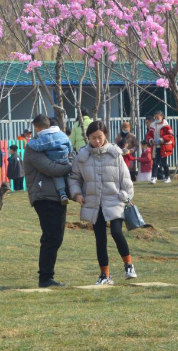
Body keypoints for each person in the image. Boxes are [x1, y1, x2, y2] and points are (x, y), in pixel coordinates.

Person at [69, 121, 137, 285]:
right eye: (93, 138)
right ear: (88, 138)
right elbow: (74, 178)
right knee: (100, 238)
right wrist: (77, 194)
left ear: (105, 135)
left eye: (99, 137)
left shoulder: (115, 153)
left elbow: (126, 179)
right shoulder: (82, 156)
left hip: (114, 199)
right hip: (93, 201)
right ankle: (105, 275)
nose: (97, 141)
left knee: (116, 231)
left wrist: (125, 195)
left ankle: (128, 265)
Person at [24, 115, 73, 288]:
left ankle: (47, 276)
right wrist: (71, 166)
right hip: (43, 196)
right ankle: (45, 278)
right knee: (51, 236)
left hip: (55, 196)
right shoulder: (33, 149)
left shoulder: (50, 145)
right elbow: (50, 168)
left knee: (56, 236)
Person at [26, 114, 73, 205]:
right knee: (66, 176)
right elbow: (69, 145)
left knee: (57, 176)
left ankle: (62, 193)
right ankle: (70, 192)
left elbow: (38, 146)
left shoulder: (45, 138)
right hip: (65, 159)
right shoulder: (62, 134)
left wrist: (30, 142)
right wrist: (70, 159)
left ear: (37, 128)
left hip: (55, 160)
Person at [145, 110, 174, 184]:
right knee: (155, 163)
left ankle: (167, 177)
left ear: (162, 117)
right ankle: (153, 177)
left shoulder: (166, 125)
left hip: (163, 146)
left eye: (158, 117)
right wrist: (151, 140)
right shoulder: (152, 125)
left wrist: (162, 139)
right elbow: (149, 135)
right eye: (155, 117)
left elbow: (170, 135)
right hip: (155, 146)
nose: (156, 119)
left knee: (164, 163)